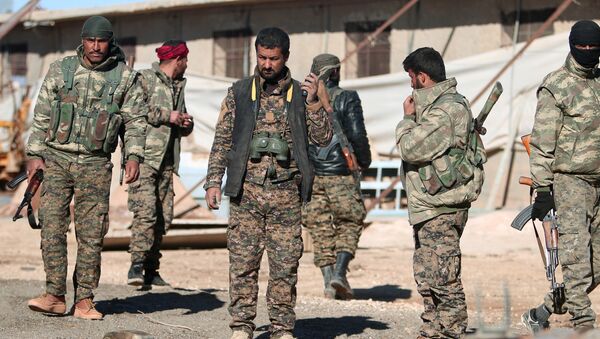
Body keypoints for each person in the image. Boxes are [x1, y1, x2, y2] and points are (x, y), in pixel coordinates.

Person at [204, 27, 331, 339]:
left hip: (286, 196)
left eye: (273, 58)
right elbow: (222, 141)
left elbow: (323, 139)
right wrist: (212, 182)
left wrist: (314, 104)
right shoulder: (238, 93)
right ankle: (242, 326)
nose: (267, 64)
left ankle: (282, 328)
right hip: (246, 195)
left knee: (284, 267)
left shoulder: (302, 95)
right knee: (242, 265)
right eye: (262, 57)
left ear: (285, 57)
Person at [24, 15, 147, 320]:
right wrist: (34, 154)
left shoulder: (124, 78)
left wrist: (134, 156)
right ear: (82, 40)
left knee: (91, 234)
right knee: (52, 227)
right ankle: (54, 294)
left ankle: (84, 300)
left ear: (110, 41)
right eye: (90, 40)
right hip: (57, 160)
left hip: (95, 164)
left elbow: (135, 122)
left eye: (101, 40)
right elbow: (41, 114)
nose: (95, 46)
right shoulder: (61, 70)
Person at [396, 47, 485, 338]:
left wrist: (407, 119)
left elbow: (411, 147)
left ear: (422, 77)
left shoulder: (446, 110)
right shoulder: (437, 107)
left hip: (441, 207)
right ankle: (433, 328)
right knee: (427, 274)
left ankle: (452, 330)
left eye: (411, 78)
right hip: (429, 205)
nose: (410, 84)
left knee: (443, 276)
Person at [521, 20, 600, 333]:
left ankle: (543, 310)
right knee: (576, 256)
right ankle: (584, 322)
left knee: (597, 262)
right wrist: (543, 188)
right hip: (571, 181)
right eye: (581, 46)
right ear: (571, 45)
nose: (587, 52)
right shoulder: (556, 85)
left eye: (593, 47)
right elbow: (542, 142)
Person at [301, 53, 371, 300]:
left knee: (319, 226)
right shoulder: (347, 98)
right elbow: (356, 134)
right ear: (335, 72)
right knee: (349, 221)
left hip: (312, 176)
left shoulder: (301, 99)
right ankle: (340, 273)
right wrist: (365, 161)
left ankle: (328, 280)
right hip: (341, 172)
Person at [127, 40, 194, 287]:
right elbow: (133, 110)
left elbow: (178, 120)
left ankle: (151, 270)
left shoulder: (178, 86)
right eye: (185, 60)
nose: (187, 65)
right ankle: (135, 266)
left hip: (166, 161)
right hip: (143, 158)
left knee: (164, 216)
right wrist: (169, 116)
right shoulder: (144, 78)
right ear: (178, 60)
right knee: (145, 213)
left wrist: (185, 123)